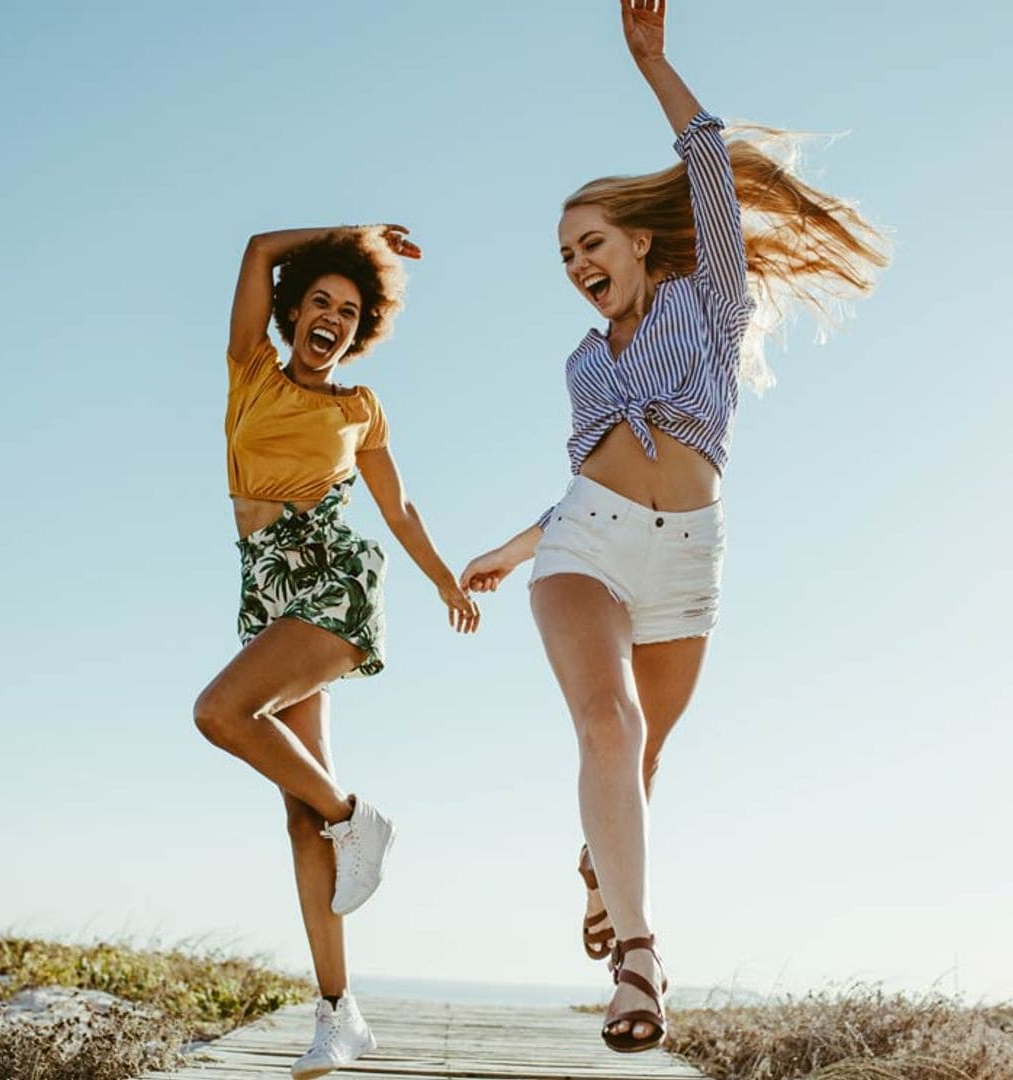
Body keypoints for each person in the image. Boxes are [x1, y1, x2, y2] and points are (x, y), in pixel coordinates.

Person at [460, 0, 887, 1054]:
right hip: (585, 547)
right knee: (613, 730)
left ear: (640, 243)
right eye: (563, 255)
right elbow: (582, 480)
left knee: (640, 765)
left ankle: (600, 868)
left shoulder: (710, 304)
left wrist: (655, 66)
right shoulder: (579, 361)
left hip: (689, 557)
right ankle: (639, 960)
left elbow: (708, 158)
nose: (576, 264)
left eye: (589, 243)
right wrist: (519, 551)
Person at [194, 223, 479, 1078]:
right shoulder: (250, 369)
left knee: (219, 712)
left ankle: (361, 819)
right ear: (291, 313)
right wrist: (354, 234)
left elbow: (399, 512)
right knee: (298, 813)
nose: (332, 318)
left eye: (349, 311)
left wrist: (442, 582)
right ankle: (337, 1012)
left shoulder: (360, 407)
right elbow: (251, 248)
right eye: (319, 301)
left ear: (361, 331)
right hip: (268, 594)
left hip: (333, 582)